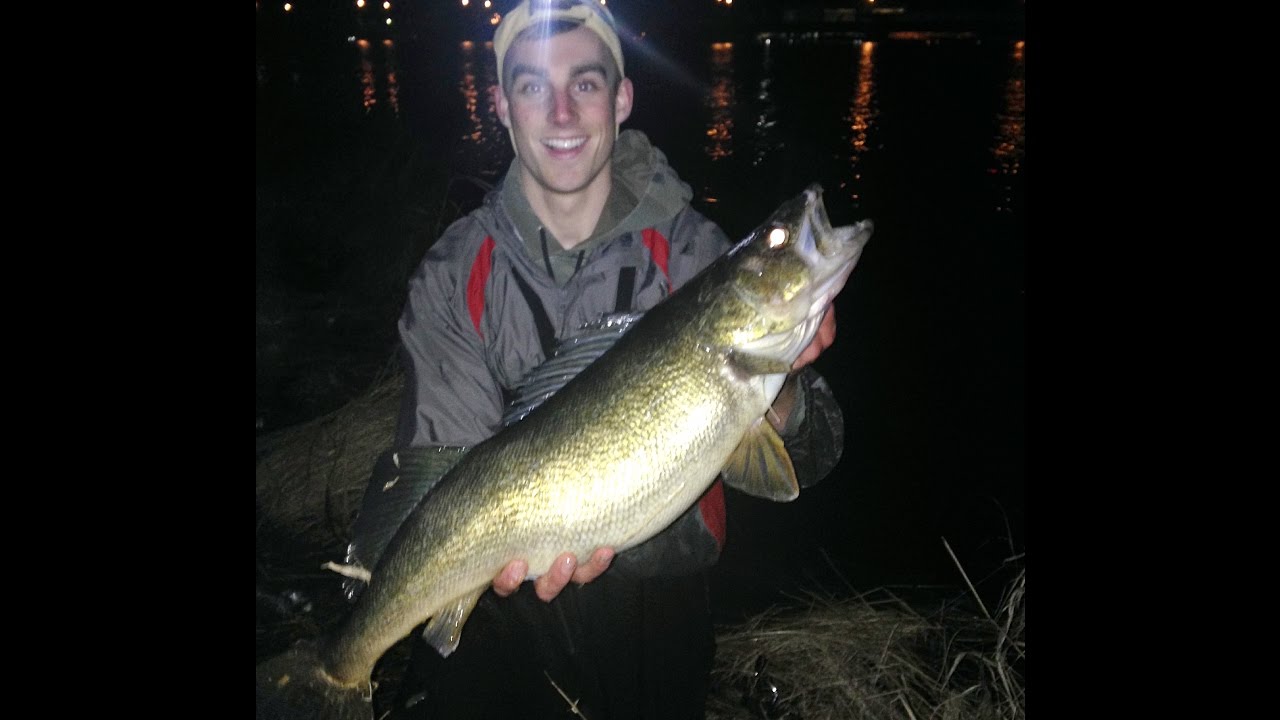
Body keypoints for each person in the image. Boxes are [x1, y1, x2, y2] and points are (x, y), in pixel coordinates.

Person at [359, 1, 848, 717]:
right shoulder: (452, 275)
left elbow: (810, 458)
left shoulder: (695, 255)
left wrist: (779, 387)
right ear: (500, 105)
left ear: (621, 98)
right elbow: (441, 470)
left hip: (659, 600)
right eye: (532, 86)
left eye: (584, 84)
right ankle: (339, 668)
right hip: (504, 598)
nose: (561, 113)